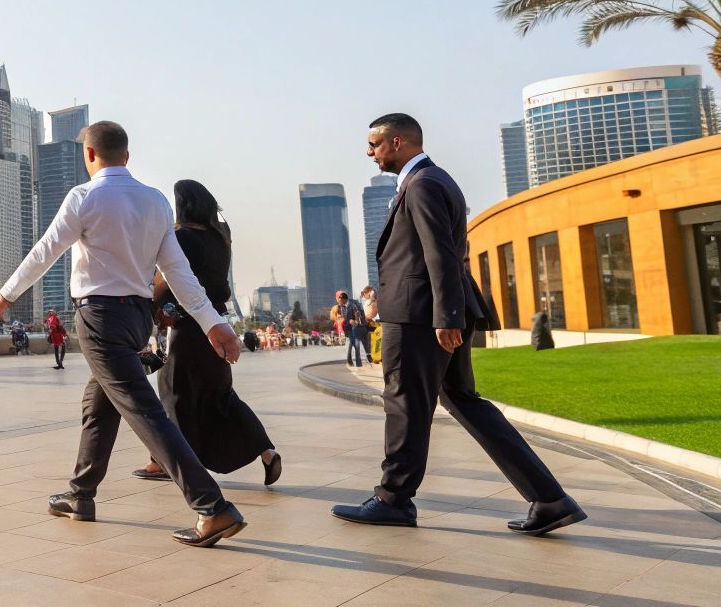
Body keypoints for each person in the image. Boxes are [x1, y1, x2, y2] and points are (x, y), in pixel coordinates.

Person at [0, 121, 247, 549]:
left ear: (89, 155)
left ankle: (211, 506)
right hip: (137, 319)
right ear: (126, 156)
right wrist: (212, 322)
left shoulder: (84, 197)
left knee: (144, 411)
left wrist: (7, 293)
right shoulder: (156, 201)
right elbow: (178, 273)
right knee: (99, 403)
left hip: (100, 318)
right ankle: (80, 494)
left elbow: (46, 250)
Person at [332, 113, 583, 536]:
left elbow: (440, 253)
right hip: (434, 313)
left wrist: (445, 317)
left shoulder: (423, 184)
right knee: (465, 402)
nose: (369, 152)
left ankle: (394, 500)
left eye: (374, 144)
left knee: (405, 403)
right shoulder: (433, 180)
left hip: (419, 317)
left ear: (397, 142)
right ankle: (550, 499)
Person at [133, 180, 281, 488]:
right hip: (216, 323)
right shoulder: (220, 236)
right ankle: (266, 452)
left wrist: (147, 299)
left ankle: (166, 463)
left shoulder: (181, 237)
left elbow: (167, 279)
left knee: (173, 393)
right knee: (221, 396)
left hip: (185, 325)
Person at [336, 290, 369, 368]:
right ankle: (354, 361)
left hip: (358, 327)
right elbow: (345, 317)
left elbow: (358, 315)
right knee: (354, 344)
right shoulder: (341, 306)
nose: (338, 301)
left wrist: (356, 321)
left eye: (339, 299)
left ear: (343, 299)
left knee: (358, 345)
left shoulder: (353, 304)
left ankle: (359, 363)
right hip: (350, 327)